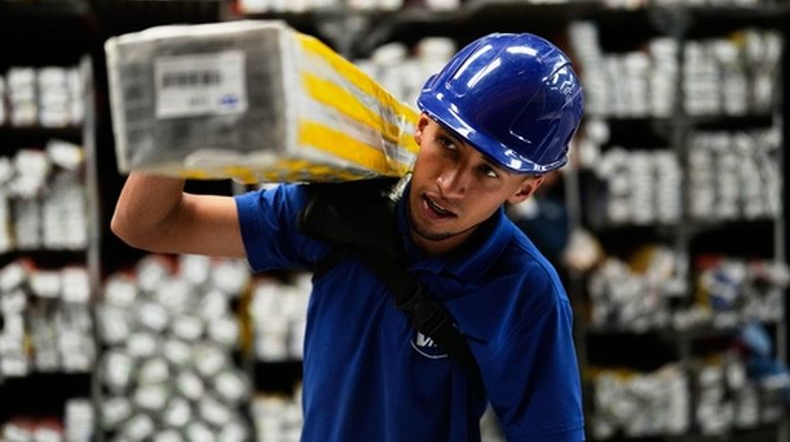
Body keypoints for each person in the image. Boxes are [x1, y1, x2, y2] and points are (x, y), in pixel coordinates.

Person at [112, 32, 586, 441]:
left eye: (488, 171)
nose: (450, 184)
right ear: (422, 128)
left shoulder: (525, 294)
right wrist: (178, 123)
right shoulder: (339, 209)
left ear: (524, 189)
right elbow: (146, 224)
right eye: (447, 145)